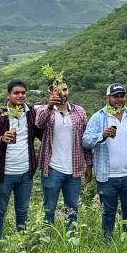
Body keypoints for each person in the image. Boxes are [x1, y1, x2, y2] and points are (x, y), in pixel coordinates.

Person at [82, 83, 127, 238]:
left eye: (121, 96)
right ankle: (107, 242)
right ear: (107, 98)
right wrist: (102, 135)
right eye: (115, 96)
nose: (119, 99)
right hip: (107, 176)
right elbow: (85, 141)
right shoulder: (98, 117)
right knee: (108, 212)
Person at [0, 80, 40, 241]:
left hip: (26, 172)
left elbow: (41, 134)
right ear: (8, 95)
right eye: (16, 93)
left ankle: (21, 241)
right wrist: (1, 138)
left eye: (23, 92)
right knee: (0, 210)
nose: (20, 95)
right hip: (4, 173)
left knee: (22, 210)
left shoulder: (31, 112)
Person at [35, 77, 92, 228]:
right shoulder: (44, 110)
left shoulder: (79, 111)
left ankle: (70, 237)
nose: (62, 93)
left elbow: (85, 139)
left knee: (72, 208)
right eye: (57, 90)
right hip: (52, 169)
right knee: (49, 208)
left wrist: (89, 165)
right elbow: (39, 123)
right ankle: (47, 236)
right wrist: (50, 106)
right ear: (51, 92)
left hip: (74, 169)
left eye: (65, 89)